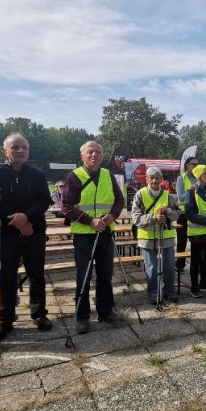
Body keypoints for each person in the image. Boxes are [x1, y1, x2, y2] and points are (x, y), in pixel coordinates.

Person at [0, 134, 53, 342]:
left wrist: (27, 217)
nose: (20, 150)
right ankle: (4, 319)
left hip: (34, 232)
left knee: (37, 275)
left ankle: (39, 314)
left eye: (24, 147)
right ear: (6, 150)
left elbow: (44, 200)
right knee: (5, 278)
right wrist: (18, 219)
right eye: (15, 147)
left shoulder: (37, 174)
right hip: (6, 233)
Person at [61, 141, 124, 333]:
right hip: (84, 236)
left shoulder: (108, 175)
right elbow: (66, 206)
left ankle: (106, 311)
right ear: (83, 156)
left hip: (105, 232)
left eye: (98, 152)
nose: (94, 155)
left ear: (102, 156)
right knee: (84, 276)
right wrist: (89, 221)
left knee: (105, 275)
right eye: (90, 152)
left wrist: (112, 215)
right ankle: (82, 316)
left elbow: (120, 200)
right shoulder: (74, 176)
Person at [130, 166, 180, 305]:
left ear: (161, 179)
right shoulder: (140, 194)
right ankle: (153, 293)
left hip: (166, 236)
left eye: (157, 178)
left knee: (169, 266)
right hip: (147, 237)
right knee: (151, 267)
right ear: (146, 179)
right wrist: (153, 218)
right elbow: (135, 217)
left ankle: (169, 291)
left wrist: (168, 212)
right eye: (151, 178)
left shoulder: (168, 195)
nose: (154, 180)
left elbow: (177, 214)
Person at [185, 164, 206, 297]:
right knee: (195, 261)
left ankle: (204, 283)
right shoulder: (191, 191)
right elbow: (189, 214)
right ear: (199, 175)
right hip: (196, 234)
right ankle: (194, 287)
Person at [175, 156, 199, 273]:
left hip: (195, 214)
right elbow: (180, 197)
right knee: (181, 241)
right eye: (193, 164)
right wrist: (191, 191)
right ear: (187, 166)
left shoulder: (199, 177)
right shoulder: (181, 178)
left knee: (195, 241)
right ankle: (179, 264)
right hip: (183, 214)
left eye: (197, 164)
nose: (196, 166)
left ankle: (196, 265)